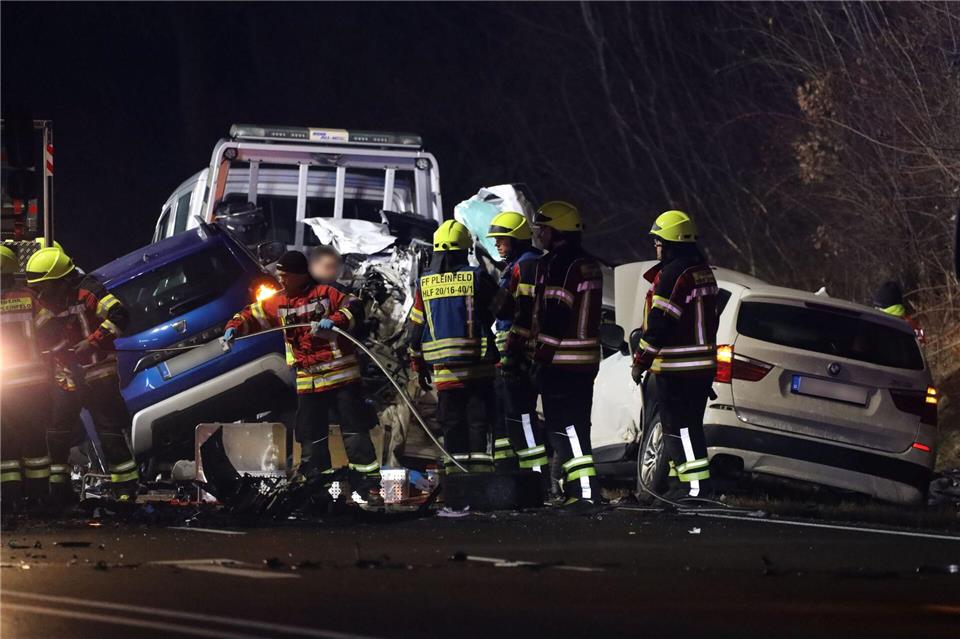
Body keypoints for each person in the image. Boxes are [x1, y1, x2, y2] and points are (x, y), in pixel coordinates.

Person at [223, 250, 381, 500]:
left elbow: (354, 307)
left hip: (341, 375)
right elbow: (251, 314)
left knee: (354, 432)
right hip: (309, 380)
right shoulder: (279, 301)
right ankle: (318, 490)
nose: (281, 280)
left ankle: (368, 487)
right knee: (310, 436)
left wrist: (336, 320)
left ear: (299, 275)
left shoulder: (326, 293)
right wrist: (233, 328)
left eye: (285, 276)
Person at [26, 246, 139, 504]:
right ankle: (59, 490)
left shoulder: (89, 291)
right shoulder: (49, 301)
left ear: (62, 281)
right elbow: (41, 333)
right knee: (56, 432)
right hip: (66, 376)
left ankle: (126, 489)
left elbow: (119, 315)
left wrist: (93, 342)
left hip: (97, 373)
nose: (40, 294)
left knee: (108, 430)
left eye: (44, 287)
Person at [521, 201, 603, 513]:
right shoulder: (586, 263)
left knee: (565, 427)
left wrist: (539, 359)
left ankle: (583, 493)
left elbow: (554, 316)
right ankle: (580, 491)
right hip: (583, 362)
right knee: (576, 426)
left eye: (542, 227)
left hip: (561, 361)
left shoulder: (560, 265)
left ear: (557, 230)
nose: (538, 233)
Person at [631, 210, 719, 500]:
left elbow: (660, 324)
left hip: (677, 369)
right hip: (700, 368)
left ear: (670, 242)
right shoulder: (702, 272)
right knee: (686, 429)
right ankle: (676, 487)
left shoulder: (673, 275)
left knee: (679, 430)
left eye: (658, 241)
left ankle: (694, 490)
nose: (656, 247)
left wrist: (640, 361)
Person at [406, 220, 502, 476]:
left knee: (452, 427)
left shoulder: (424, 284)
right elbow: (504, 308)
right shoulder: (477, 277)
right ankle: (480, 483)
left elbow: (415, 330)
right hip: (478, 370)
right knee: (478, 426)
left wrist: (418, 363)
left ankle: (456, 484)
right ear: (464, 249)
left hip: (444, 374)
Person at [485, 212, 543, 473]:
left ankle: (535, 475)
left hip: (519, 354)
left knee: (522, 416)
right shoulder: (516, 265)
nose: (497, 244)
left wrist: (512, 354)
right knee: (508, 417)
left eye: (501, 239)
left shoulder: (527, 265)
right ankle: (511, 473)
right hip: (508, 354)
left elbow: (522, 312)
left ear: (517, 239)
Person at [1, 245, 54, 513]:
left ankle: (10, 498)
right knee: (34, 441)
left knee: (6, 444)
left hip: (5, 389)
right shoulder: (29, 299)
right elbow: (51, 331)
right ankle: (39, 498)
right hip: (33, 385)